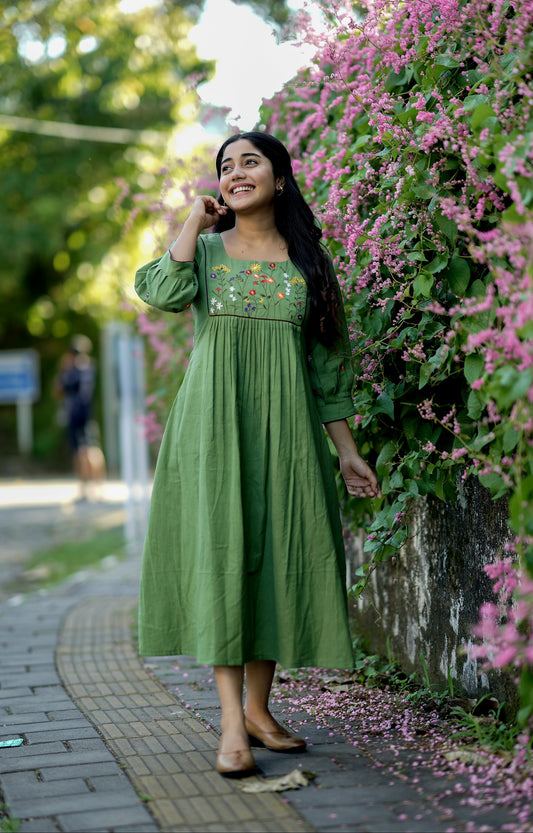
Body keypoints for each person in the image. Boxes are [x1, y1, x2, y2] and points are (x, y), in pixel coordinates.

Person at [135, 132, 381, 777]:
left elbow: (330, 371)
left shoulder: (309, 263)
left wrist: (348, 454)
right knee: (223, 555)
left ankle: (259, 710)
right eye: (226, 166)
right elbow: (158, 291)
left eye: (251, 162)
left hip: (289, 431)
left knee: (271, 556)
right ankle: (229, 727)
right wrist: (194, 216)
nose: (237, 173)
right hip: (214, 428)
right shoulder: (207, 253)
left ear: (280, 176)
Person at [54, 334, 103, 499]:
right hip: (88, 412)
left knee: (80, 451)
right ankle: (98, 486)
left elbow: (58, 391)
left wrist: (63, 370)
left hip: (75, 414)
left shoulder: (72, 370)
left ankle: (84, 488)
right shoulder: (90, 366)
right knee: (93, 448)